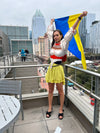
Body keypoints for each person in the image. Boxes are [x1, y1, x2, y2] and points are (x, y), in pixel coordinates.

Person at [45, 11, 88, 120]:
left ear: (61, 36)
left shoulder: (64, 43)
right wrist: (51, 22)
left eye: (57, 35)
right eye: (54, 35)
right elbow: (49, 31)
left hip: (58, 69)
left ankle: (60, 109)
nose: (55, 37)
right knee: (50, 91)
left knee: (60, 91)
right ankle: (49, 108)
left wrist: (79, 17)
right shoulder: (52, 42)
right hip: (50, 69)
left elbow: (71, 29)